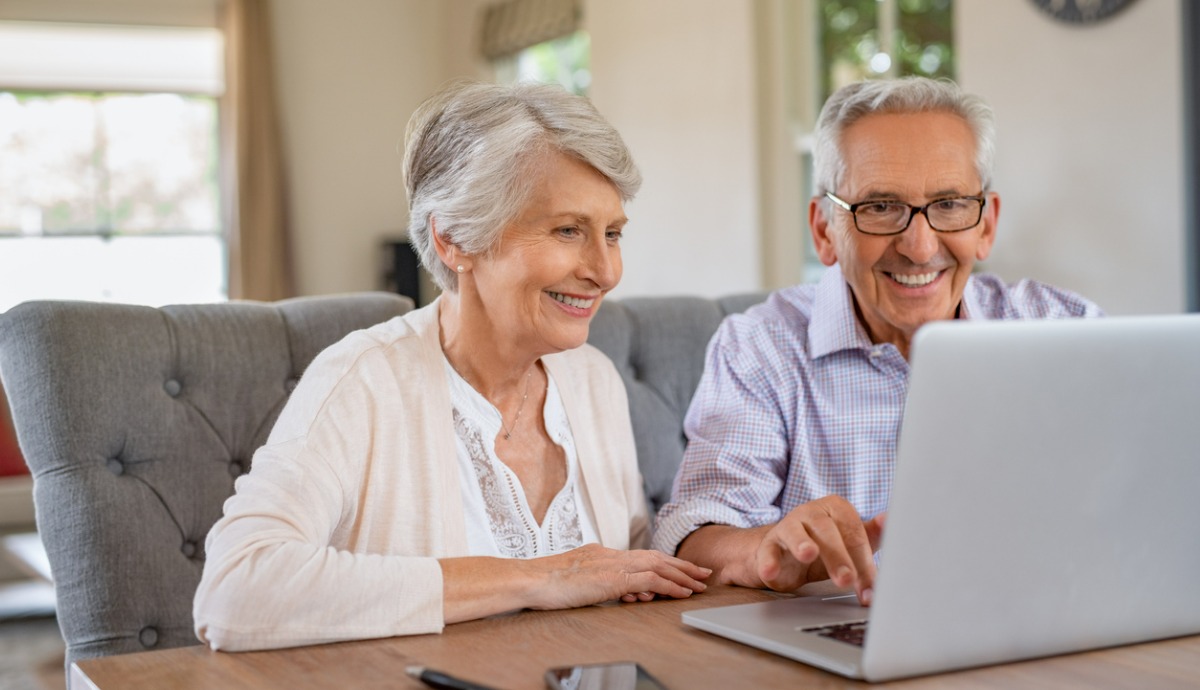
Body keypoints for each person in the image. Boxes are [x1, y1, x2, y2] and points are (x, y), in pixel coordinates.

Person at [193, 80, 710, 651]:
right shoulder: (362, 381)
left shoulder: (592, 379)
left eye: (612, 234)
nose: (606, 270)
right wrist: (542, 578)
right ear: (454, 239)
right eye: (568, 230)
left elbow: (621, 570)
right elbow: (234, 590)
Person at [651, 77, 1102, 606]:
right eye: (881, 206)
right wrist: (766, 553)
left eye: (951, 204)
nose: (919, 245)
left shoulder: (1064, 326)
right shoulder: (760, 347)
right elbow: (697, 530)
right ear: (824, 230)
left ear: (986, 223)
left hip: (1042, 624)